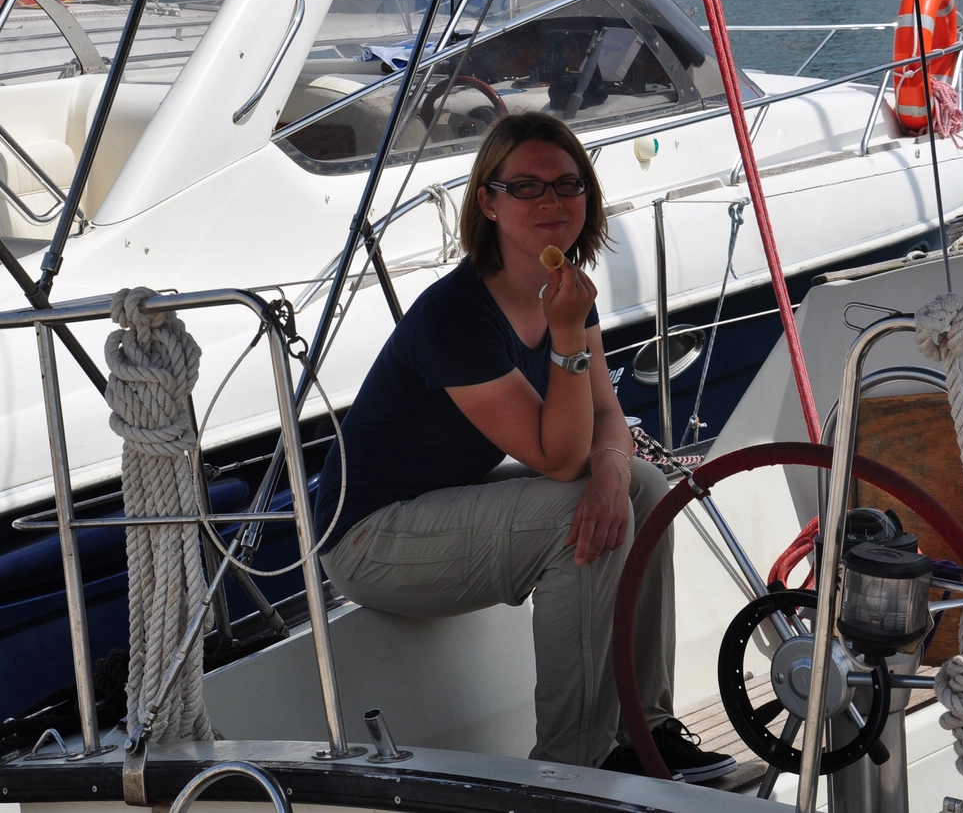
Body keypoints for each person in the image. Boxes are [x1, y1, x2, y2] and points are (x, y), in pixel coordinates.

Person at [312, 112, 735, 781]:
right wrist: (568, 347)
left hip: (440, 506)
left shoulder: (567, 292)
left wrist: (612, 473)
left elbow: (606, 419)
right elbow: (559, 456)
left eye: (568, 185)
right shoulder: (457, 314)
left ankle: (642, 732)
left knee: (648, 490)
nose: (552, 202)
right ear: (489, 200)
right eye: (528, 187)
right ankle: (574, 766)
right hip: (368, 539)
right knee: (579, 518)